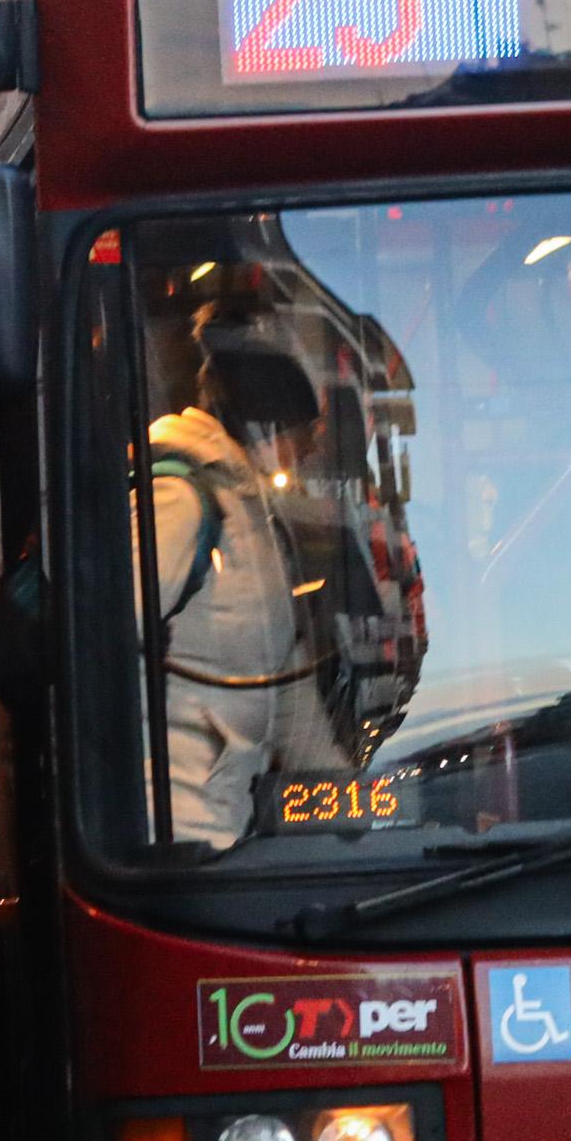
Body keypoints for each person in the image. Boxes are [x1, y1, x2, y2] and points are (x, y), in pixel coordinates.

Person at [145, 299, 349, 846]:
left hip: (223, 821)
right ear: (269, 426)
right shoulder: (180, 501)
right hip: (173, 829)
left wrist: (352, 805)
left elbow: (284, 686)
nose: (305, 456)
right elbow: (101, 656)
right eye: (302, 437)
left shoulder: (249, 514)